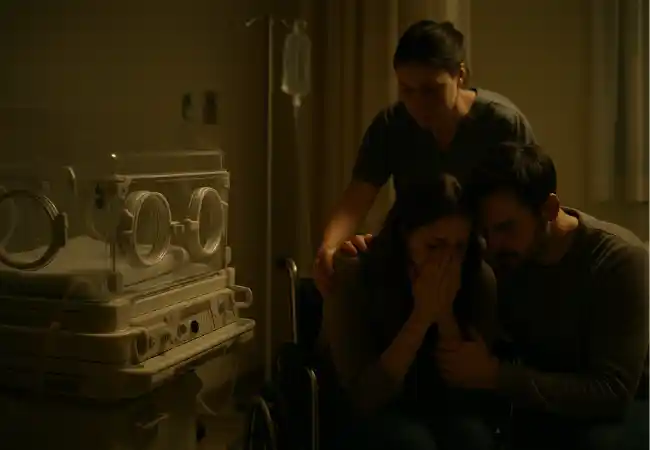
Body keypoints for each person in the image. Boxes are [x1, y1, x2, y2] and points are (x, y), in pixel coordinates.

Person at [434, 142, 649, 450]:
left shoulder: (617, 261)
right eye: (485, 231)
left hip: (625, 404)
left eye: (506, 228)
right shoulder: (499, 255)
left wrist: (496, 376)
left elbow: (612, 392)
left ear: (548, 209)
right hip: (537, 396)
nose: (493, 245)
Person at [313, 19, 536, 296]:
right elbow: (358, 195)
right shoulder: (392, 125)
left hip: (483, 254)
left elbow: (528, 206)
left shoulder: (502, 124)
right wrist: (329, 246)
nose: (418, 103)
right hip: (416, 256)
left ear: (460, 76)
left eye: (431, 90)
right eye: (407, 90)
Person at [320, 174, 499, 450]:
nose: (446, 259)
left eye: (459, 247)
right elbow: (363, 398)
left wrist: (444, 314)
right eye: (434, 246)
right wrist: (421, 317)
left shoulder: (477, 277)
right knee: (412, 443)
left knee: (474, 439)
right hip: (371, 410)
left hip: (442, 404)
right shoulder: (358, 274)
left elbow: (469, 394)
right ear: (406, 235)